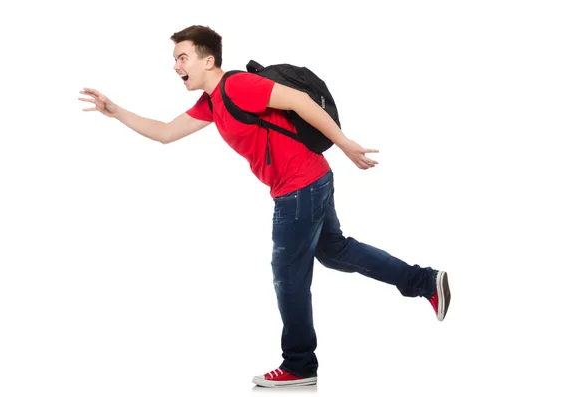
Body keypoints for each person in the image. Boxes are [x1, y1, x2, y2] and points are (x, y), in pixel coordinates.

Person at [79, 24, 451, 388]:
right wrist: (116, 111)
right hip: (311, 181)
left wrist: (345, 144)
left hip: (298, 189)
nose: (176, 66)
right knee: (335, 252)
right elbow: (164, 132)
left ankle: (299, 364)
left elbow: (300, 102)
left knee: (288, 277)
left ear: (208, 61)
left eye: (182, 57)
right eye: (175, 59)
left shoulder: (237, 86)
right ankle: (424, 280)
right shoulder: (212, 102)